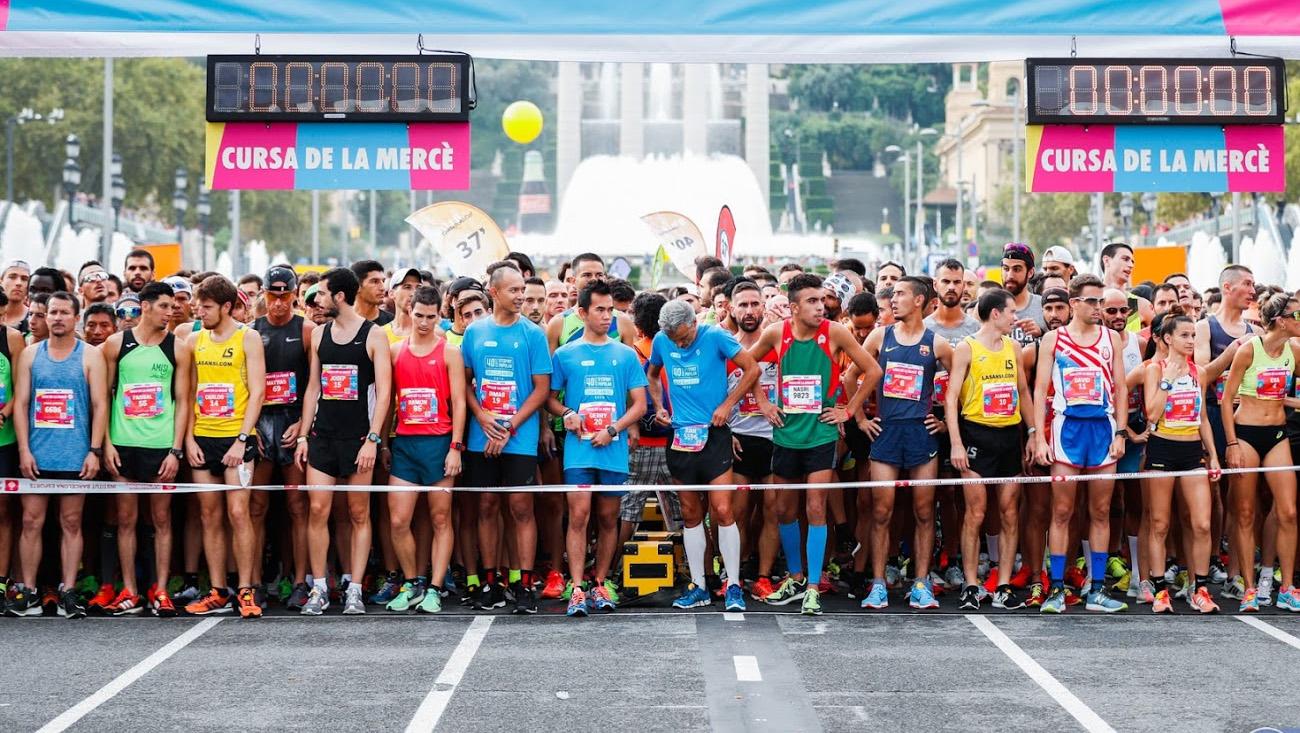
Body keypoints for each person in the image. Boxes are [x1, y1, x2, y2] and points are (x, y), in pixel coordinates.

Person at [749, 273, 881, 616]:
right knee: (783, 510)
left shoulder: (835, 333)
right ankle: (794, 577)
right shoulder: (776, 333)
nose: (820, 307)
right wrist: (762, 402)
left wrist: (848, 411)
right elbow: (746, 364)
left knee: (816, 508)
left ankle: (812, 587)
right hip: (786, 434)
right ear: (793, 307)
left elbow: (873, 370)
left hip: (821, 435)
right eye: (811, 301)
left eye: (822, 300)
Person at [647, 299, 760, 612]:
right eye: (674, 340)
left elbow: (752, 369)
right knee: (690, 512)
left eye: (683, 337)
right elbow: (653, 375)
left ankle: (733, 584)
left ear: (694, 324)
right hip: (680, 435)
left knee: (723, 510)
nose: (679, 344)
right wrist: (659, 407)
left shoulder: (716, 336)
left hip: (714, 434)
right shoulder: (661, 340)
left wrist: (727, 406)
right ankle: (699, 585)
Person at [295, 266, 392, 616]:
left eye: (320, 293)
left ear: (338, 296)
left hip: (358, 437)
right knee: (318, 509)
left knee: (358, 512)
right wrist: (304, 434)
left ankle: (355, 588)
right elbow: (312, 389)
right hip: (323, 437)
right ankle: (319, 587)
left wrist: (373, 440)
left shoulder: (374, 335)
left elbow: (384, 394)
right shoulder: (319, 335)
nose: (315, 300)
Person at [546, 280, 647, 616]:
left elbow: (640, 405)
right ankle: (576, 587)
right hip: (579, 450)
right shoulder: (565, 354)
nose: (608, 317)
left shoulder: (625, 354)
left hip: (612, 449)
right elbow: (548, 397)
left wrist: (613, 428)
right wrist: (567, 413)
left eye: (611, 311)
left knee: (607, 518)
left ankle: (600, 582)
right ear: (583, 313)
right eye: (600, 310)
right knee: (578, 515)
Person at [1031, 274, 1129, 614]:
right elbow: (1040, 390)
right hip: (1066, 431)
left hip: (1102, 431)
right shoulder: (1053, 340)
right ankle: (1056, 589)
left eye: (1102, 302)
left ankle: (1097, 589)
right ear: (1075, 304)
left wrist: (1121, 433)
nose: (1100, 308)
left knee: (1100, 511)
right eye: (1094, 301)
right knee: (1062, 511)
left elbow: (1120, 386)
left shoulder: (1111, 338)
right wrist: (1038, 436)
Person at [856, 276, 952, 610]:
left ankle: (922, 584)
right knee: (881, 511)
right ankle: (879, 583)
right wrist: (859, 418)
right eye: (892, 294)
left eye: (899, 294)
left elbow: (961, 383)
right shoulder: (880, 335)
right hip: (886, 433)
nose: (892, 300)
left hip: (921, 434)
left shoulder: (937, 343)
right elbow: (851, 374)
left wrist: (944, 421)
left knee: (924, 511)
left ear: (920, 300)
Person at [9, 292, 107, 618]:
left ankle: (68, 590)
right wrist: (24, 449)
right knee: (30, 522)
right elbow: (20, 404)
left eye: (65, 312)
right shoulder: (30, 355)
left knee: (71, 522)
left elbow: (99, 406)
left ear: (75, 317)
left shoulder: (91, 356)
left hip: (75, 455)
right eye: (53, 312)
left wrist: (94, 451)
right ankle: (29, 591)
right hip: (37, 454)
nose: (58, 318)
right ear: (45, 316)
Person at [461, 264, 551, 614]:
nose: (520, 297)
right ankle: (489, 582)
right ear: (493, 293)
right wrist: (482, 417)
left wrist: (509, 426)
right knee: (485, 505)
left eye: (523, 291)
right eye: (513, 290)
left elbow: (541, 389)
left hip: (519, 436)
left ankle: (524, 583)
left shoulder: (533, 334)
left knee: (520, 507)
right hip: (481, 435)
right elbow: (465, 382)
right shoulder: (475, 332)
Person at [100, 281, 192, 617]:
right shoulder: (115, 344)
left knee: (162, 519)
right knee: (126, 519)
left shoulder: (177, 348)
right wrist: (106, 444)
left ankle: (162, 590)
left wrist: (175, 450)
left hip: (160, 445)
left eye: (173, 307)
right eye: (165, 306)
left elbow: (183, 402)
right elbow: (104, 398)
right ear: (146, 306)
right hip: (123, 444)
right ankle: (130, 590)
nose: (171, 312)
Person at [946, 288, 1036, 611]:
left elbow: (1023, 392)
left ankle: (1003, 585)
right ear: (995, 314)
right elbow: (950, 397)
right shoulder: (966, 348)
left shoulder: (1013, 347)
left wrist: (1033, 433)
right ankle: (971, 584)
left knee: (1010, 511)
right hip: (976, 435)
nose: (1017, 317)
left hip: (1009, 436)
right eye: (1012, 312)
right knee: (977, 511)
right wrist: (956, 442)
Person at [183, 275, 267, 618]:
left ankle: (246, 589)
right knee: (209, 514)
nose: (199, 312)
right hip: (203, 436)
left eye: (206, 307)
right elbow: (187, 393)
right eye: (198, 306)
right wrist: (188, 439)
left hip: (238, 439)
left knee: (238, 513)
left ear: (227, 306)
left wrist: (242, 439)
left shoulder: (248, 338)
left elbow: (259, 392)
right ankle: (218, 589)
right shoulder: (193, 340)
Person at [383, 285, 466, 614]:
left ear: (439, 316)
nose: (424, 323)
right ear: (408, 311)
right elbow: (388, 403)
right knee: (399, 520)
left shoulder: (449, 352)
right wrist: (384, 442)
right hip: (405, 444)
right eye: (419, 316)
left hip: (439, 442)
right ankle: (412, 582)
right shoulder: (395, 351)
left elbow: (459, 402)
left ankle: (435, 587)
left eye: (431, 317)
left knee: (440, 518)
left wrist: (456, 447)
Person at [1220, 292, 1300, 612]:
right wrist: (1231, 444)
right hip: (1247, 435)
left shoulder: (1293, 350)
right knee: (1245, 513)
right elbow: (1226, 399)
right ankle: (1250, 588)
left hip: (1278, 434)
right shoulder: (1248, 350)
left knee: (1289, 511)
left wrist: (1293, 402)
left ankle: (1288, 587)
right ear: (1281, 320)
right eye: (1297, 315)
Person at [1140, 309, 1221, 614]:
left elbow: (1202, 417)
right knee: (1159, 524)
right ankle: (1160, 590)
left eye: (1193, 336)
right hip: (1161, 450)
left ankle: (1199, 588)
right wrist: (1169, 381)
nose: (1190, 341)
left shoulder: (1198, 372)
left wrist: (1212, 454)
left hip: (1191, 453)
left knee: (1201, 524)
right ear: (1168, 338)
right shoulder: (1154, 369)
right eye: (1184, 336)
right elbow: (1152, 414)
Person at [250, 265, 315, 610]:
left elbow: (314, 384)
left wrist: (303, 426)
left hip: (292, 420)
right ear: (264, 294)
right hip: (262, 422)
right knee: (257, 506)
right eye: (272, 296)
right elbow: (248, 386)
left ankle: (301, 580)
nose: (278, 303)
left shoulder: (306, 330)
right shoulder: (252, 331)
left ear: (294, 295)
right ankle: (256, 581)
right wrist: (251, 428)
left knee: (297, 506)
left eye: (284, 296)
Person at [1195, 265, 1256, 598]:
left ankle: (1235, 572)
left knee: (1240, 498)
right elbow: (1201, 374)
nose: (1252, 290)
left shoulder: (1254, 328)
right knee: (1209, 496)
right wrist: (1233, 354)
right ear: (1228, 287)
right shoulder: (1205, 327)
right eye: (1247, 284)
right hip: (1212, 417)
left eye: (1254, 284)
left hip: (1245, 417)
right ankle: (1201, 570)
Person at [724, 282, 779, 600]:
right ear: (732, 309)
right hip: (739, 439)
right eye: (742, 305)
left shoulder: (778, 346)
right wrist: (725, 433)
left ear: (764, 307)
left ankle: (764, 576)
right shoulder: (726, 348)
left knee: (772, 512)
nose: (749, 311)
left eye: (754, 304)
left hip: (773, 439)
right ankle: (734, 573)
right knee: (737, 513)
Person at [1099, 242, 1153, 332]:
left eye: (1132, 262)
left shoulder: (1141, 305)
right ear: (1106, 260)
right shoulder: (1090, 302)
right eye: (1125, 259)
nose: (1131, 265)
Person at [1000, 243, 1046, 346]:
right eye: (1006, 269)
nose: (1010, 275)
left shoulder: (1043, 306)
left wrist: (1041, 334)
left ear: (1030, 272)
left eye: (1017, 269)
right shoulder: (988, 306)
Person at [350, 259, 395, 325]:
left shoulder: (392, 324)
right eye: (375, 281)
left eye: (383, 281)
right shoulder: (339, 323)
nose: (383, 288)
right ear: (357, 286)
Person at [2, 260, 31, 334]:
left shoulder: (33, 319)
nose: (18, 283)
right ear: (1, 281)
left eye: (24, 279)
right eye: (12, 277)